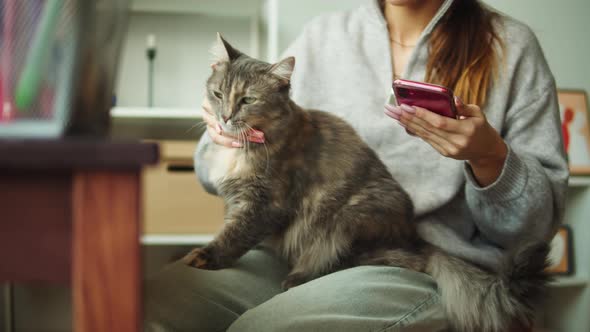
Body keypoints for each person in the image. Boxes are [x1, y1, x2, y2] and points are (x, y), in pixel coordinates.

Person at [145, 0, 568, 331]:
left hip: (406, 260)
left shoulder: (512, 46)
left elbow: (534, 229)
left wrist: (489, 157)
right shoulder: (322, 36)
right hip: (290, 250)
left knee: (270, 327)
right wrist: (220, 142)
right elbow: (214, 167)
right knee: (156, 304)